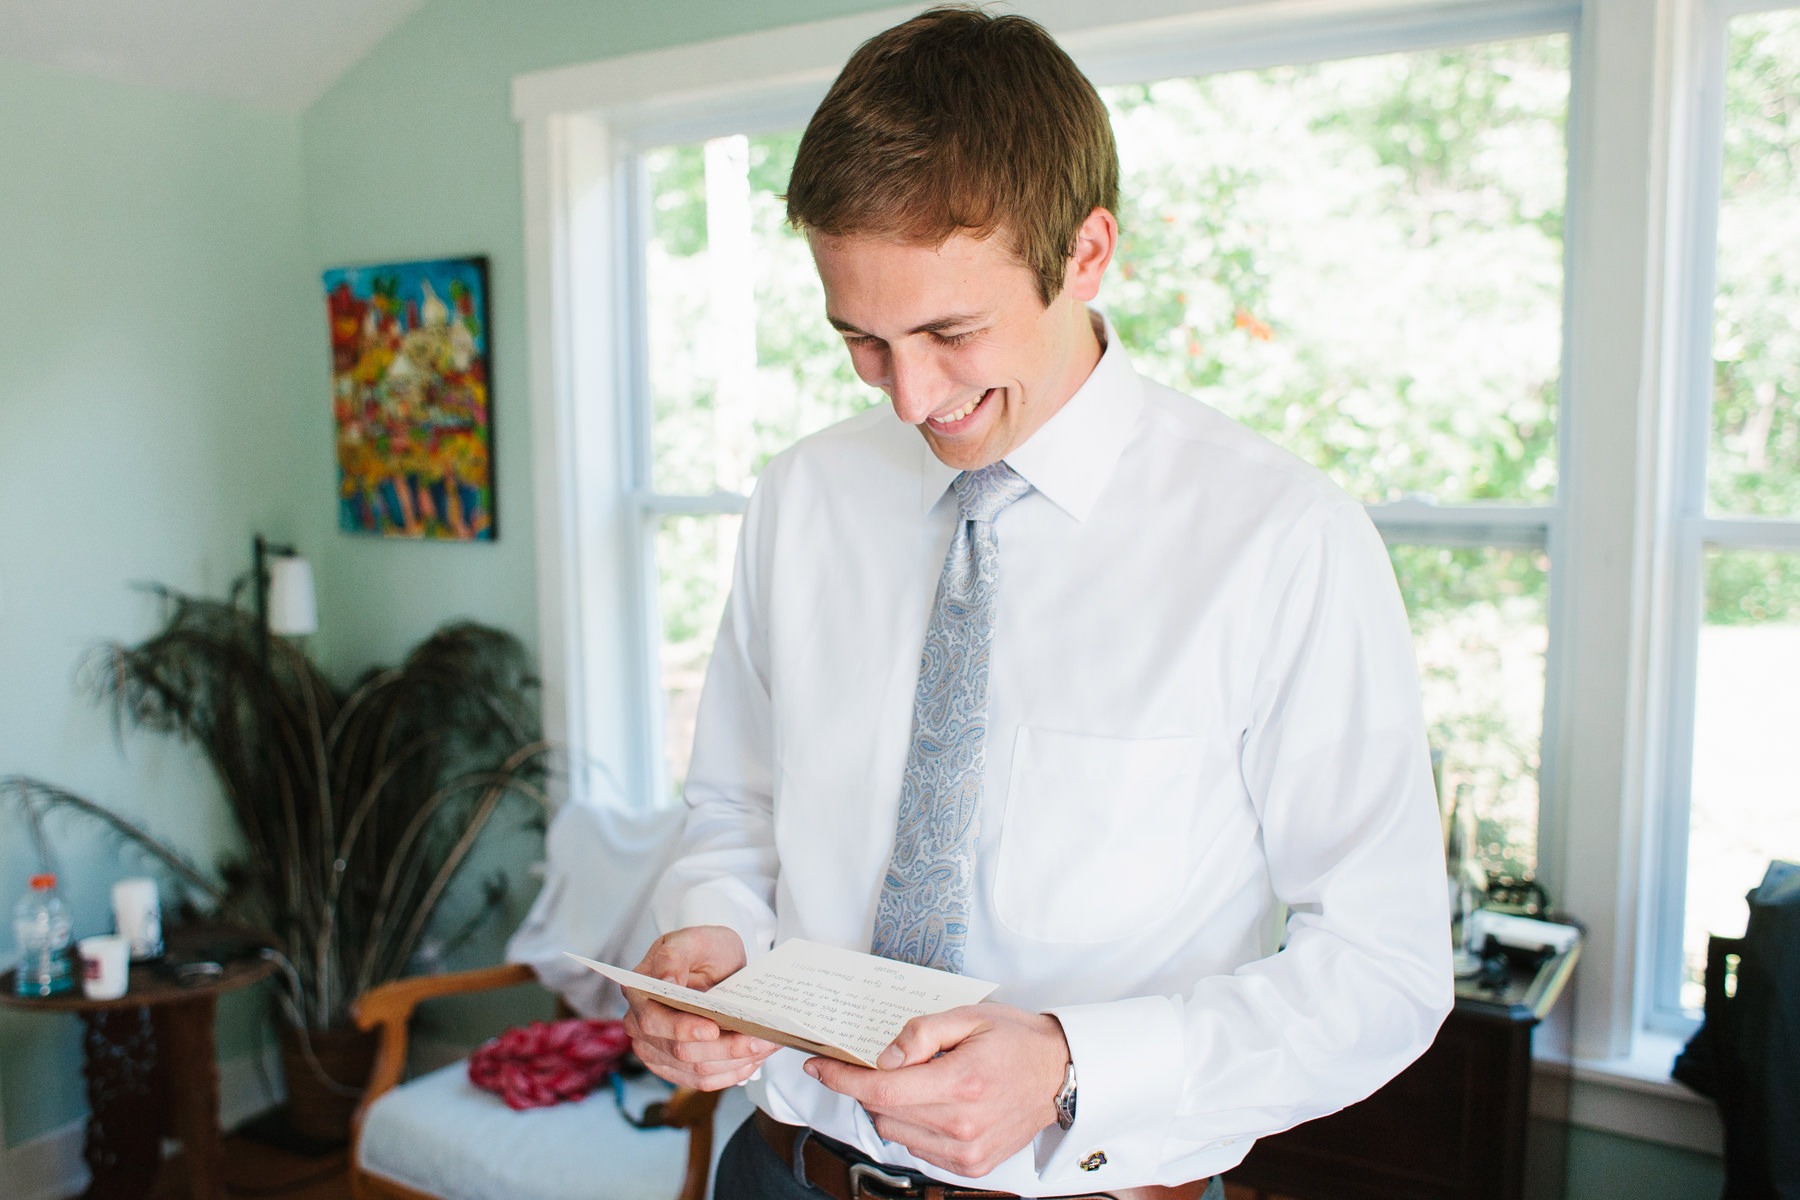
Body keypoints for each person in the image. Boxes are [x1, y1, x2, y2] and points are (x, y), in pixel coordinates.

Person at [622, 8, 1453, 1199]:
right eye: (861, 341)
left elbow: (1384, 967)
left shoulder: (1283, 540)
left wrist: (1071, 1068)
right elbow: (734, 816)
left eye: (950, 331)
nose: (909, 398)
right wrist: (710, 941)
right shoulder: (800, 499)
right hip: (783, 1173)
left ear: (1086, 252)